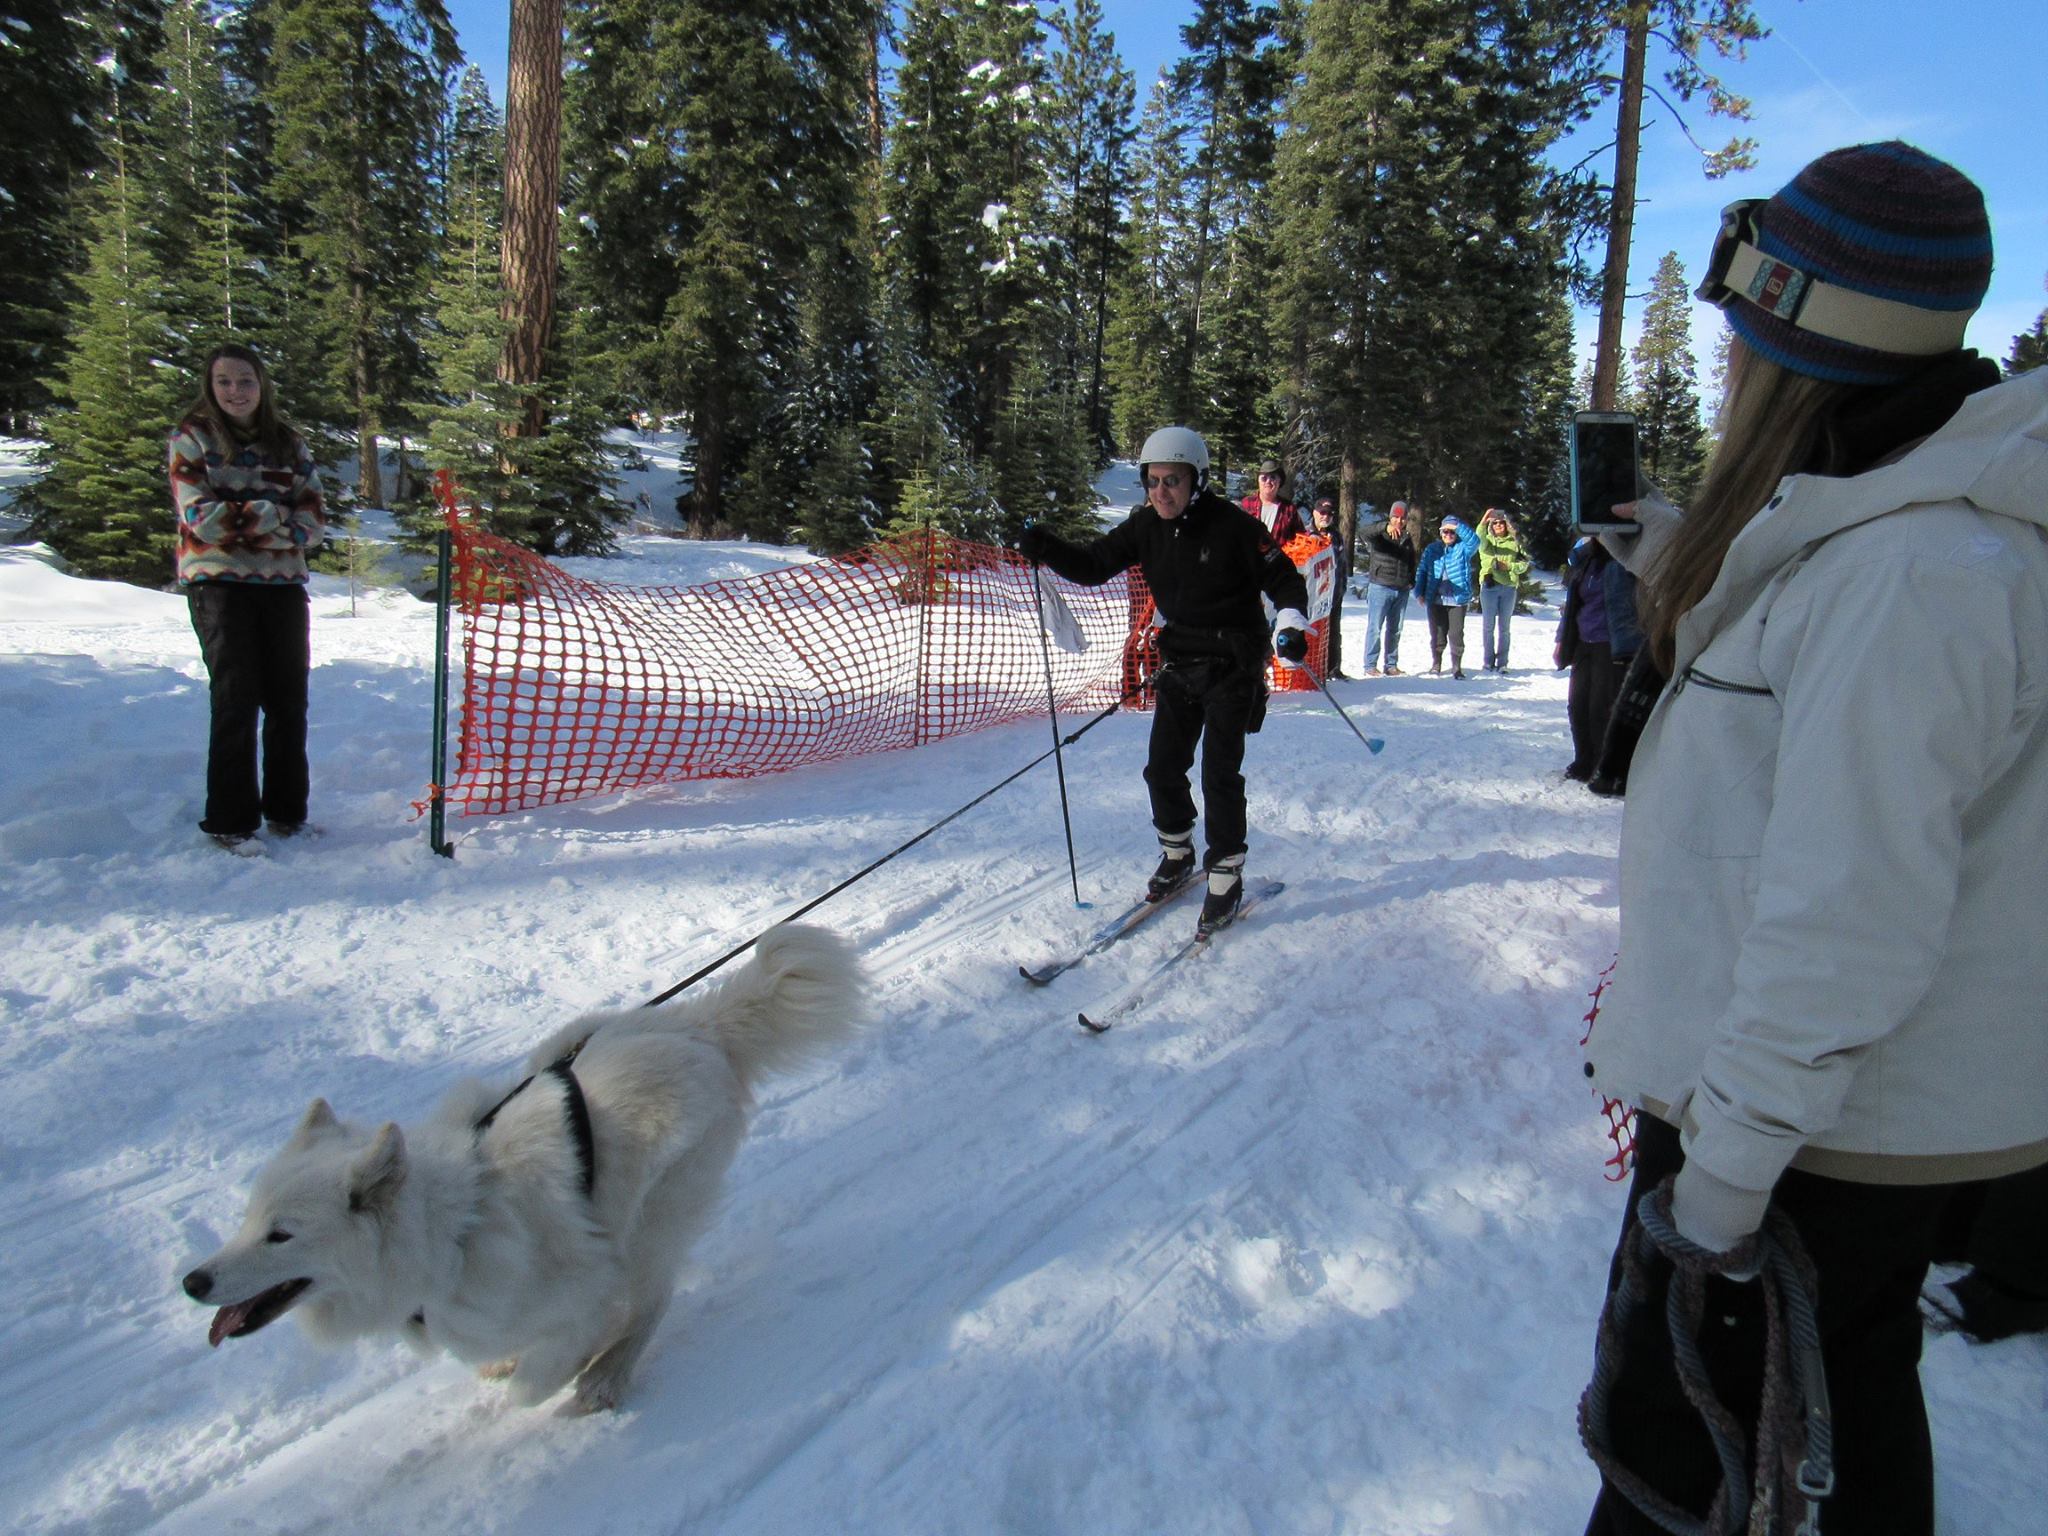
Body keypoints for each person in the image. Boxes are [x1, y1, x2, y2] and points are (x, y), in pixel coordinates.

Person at [1577, 142, 2048, 1536]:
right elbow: (1811, 643)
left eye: (1743, 338)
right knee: (1834, 1423)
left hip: (1793, 1141)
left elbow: (1850, 914)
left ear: (1796, 346)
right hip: (1820, 1124)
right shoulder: (1901, 522)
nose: (1724, 367)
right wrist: (1664, 546)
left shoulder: (1919, 575)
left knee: (1687, 1467)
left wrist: (1721, 1180)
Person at [1020, 427, 1310, 932]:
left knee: (1219, 773)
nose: (1161, 492)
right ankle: (1177, 853)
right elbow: (1091, 566)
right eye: (1152, 482)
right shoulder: (1145, 526)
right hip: (1180, 662)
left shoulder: (1235, 527)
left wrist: (1289, 625)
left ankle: (1226, 875)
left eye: (1172, 481)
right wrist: (1044, 545)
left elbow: (1285, 579)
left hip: (1233, 664)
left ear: (1196, 481)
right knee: (1161, 768)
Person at [169, 342, 327, 849]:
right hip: (217, 586)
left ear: (262, 385)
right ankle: (231, 821)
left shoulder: (288, 444)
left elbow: (313, 522)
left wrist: (246, 517)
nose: (235, 391)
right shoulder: (191, 439)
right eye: (225, 382)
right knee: (236, 699)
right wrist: (275, 514)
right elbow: (201, 520)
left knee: (288, 700)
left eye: (245, 381)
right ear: (211, 387)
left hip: (282, 586)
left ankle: (287, 813)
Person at [1553, 537, 1626, 781]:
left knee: (1600, 706)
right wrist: (1562, 638)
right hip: (1584, 641)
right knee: (1577, 704)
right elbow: (1573, 603)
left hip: (1611, 642)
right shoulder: (1584, 560)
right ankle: (1583, 761)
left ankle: (1603, 765)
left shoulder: (1625, 558)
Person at [1414, 513, 1478, 678]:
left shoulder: (1463, 548)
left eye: (1451, 532)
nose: (1448, 535)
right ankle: (1436, 663)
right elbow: (1422, 571)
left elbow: (1475, 541)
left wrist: (1458, 526)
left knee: (1456, 633)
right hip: (1436, 598)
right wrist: (1419, 591)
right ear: (1440, 533)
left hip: (1457, 599)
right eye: (1445, 532)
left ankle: (1457, 667)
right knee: (1437, 633)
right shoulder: (1432, 549)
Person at [1358, 500, 1418, 675]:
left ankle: (1391, 664)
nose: (1398, 521)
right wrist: (1384, 527)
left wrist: (1410, 580)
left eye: (1402, 518)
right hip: (1380, 586)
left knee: (1395, 629)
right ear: (1390, 517)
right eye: (1395, 517)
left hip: (1401, 589)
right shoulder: (1379, 535)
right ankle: (1370, 665)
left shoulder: (1407, 538)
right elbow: (1363, 533)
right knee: (1375, 627)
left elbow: (1411, 561)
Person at [1474, 507, 1529, 672]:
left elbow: (1524, 563)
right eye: (1494, 522)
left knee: (1504, 627)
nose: (1498, 525)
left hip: (1509, 588)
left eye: (1501, 522)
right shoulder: (1487, 542)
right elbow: (1479, 536)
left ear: (1506, 524)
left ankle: (1503, 662)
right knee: (1488, 626)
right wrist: (1484, 518)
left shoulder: (1515, 542)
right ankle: (1488, 662)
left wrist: (1509, 566)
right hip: (1489, 587)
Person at [1308, 496, 1350, 677]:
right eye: (1322, 513)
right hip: (1313, 594)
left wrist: (1342, 587)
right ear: (1315, 513)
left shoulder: (1337, 536)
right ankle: (1311, 668)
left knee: (1333, 632)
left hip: (1334, 592)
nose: (1325, 517)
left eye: (1329, 514)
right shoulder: (1306, 534)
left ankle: (1333, 668)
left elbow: (1342, 564)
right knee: (1312, 631)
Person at [1240, 458, 1304, 542]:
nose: (1268, 481)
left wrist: (1313, 534)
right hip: (1250, 554)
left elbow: (1301, 536)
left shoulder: (1289, 509)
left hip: (1278, 554)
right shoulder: (1247, 503)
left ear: (1279, 481)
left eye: (1273, 477)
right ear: (1258, 481)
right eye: (1264, 478)